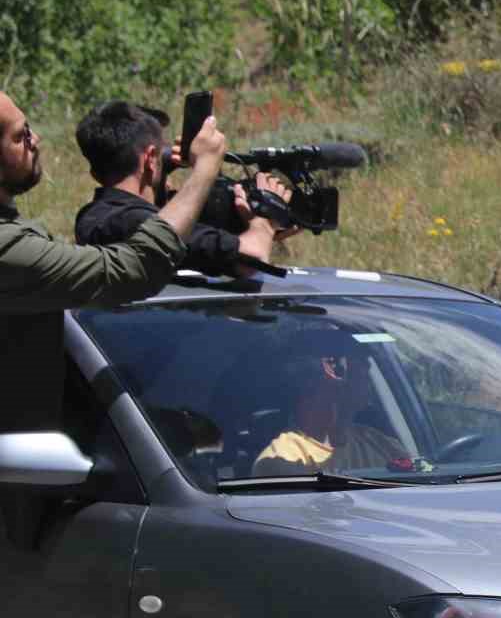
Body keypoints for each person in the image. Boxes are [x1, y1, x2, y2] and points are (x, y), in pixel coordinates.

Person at [0, 89, 227, 433]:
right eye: (21, 136)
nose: (36, 139)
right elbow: (132, 269)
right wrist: (204, 172)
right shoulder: (8, 249)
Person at [72, 101, 295, 277]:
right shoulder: (136, 223)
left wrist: (248, 225)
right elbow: (251, 257)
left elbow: (200, 242)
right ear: (150, 159)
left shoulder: (97, 218)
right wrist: (264, 224)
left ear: (95, 174)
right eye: (161, 156)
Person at [253, 333, 408, 477]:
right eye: (361, 363)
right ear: (332, 369)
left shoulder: (383, 444)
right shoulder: (283, 460)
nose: (367, 375)